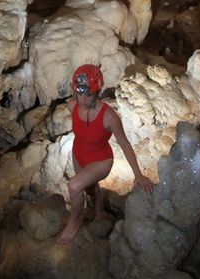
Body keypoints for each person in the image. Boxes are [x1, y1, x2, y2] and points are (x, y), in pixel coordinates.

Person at [56, 64, 154, 244]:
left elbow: (124, 143)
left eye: (88, 94)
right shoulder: (72, 106)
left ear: (97, 92)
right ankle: (99, 212)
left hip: (101, 160)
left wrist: (138, 174)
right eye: (79, 93)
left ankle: (74, 221)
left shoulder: (109, 116)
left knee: (74, 186)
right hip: (79, 154)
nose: (83, 99)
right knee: (90, 188)